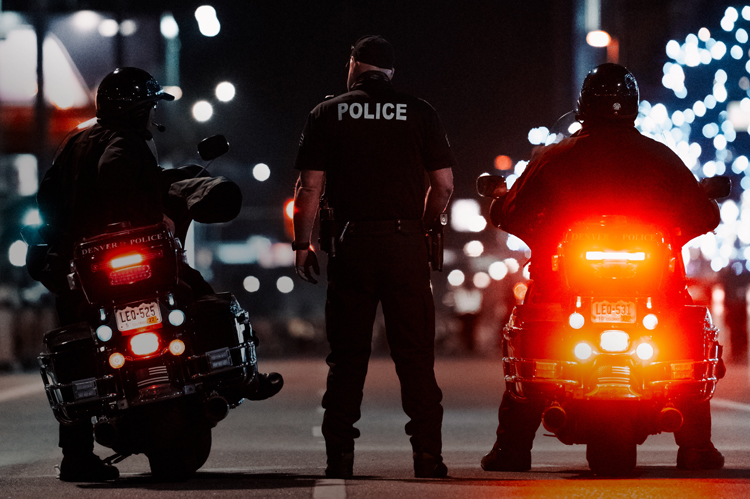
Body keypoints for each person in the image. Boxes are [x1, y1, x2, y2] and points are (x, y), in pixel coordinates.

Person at [34, 67, 281, 482]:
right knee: (196, 290)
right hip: (136, 258)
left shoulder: (73, 142)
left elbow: (48, 203)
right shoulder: (127, 145)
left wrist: (65, 244)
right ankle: (242, 377)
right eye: (149, 106)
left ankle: (75, 454)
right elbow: (125, 187)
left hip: (83, 268)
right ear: (140, 109)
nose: (151, 115)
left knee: (79, 344)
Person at [481, 63, 725, 472]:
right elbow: (704, 214)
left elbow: (511, 212)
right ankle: (696, 446)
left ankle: (512, 447)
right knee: (685, 328)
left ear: (583, 106)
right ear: (633, 107)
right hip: (652, 288)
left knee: (532, 327)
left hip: (561, 289)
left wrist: (510, 206)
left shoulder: (553, 157)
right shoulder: (660, 156)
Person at [292, 35, 456, 479]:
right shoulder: (420, 111)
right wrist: (422, 227)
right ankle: (427, 456)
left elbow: (309, 186)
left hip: (352, 246)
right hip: (405, 247)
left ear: (354, 65)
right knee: (416, 355)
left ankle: (339, 458)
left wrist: (302, 244)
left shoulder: (327, 113)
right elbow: (443, 186)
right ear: (391, 72)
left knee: (347, 357)